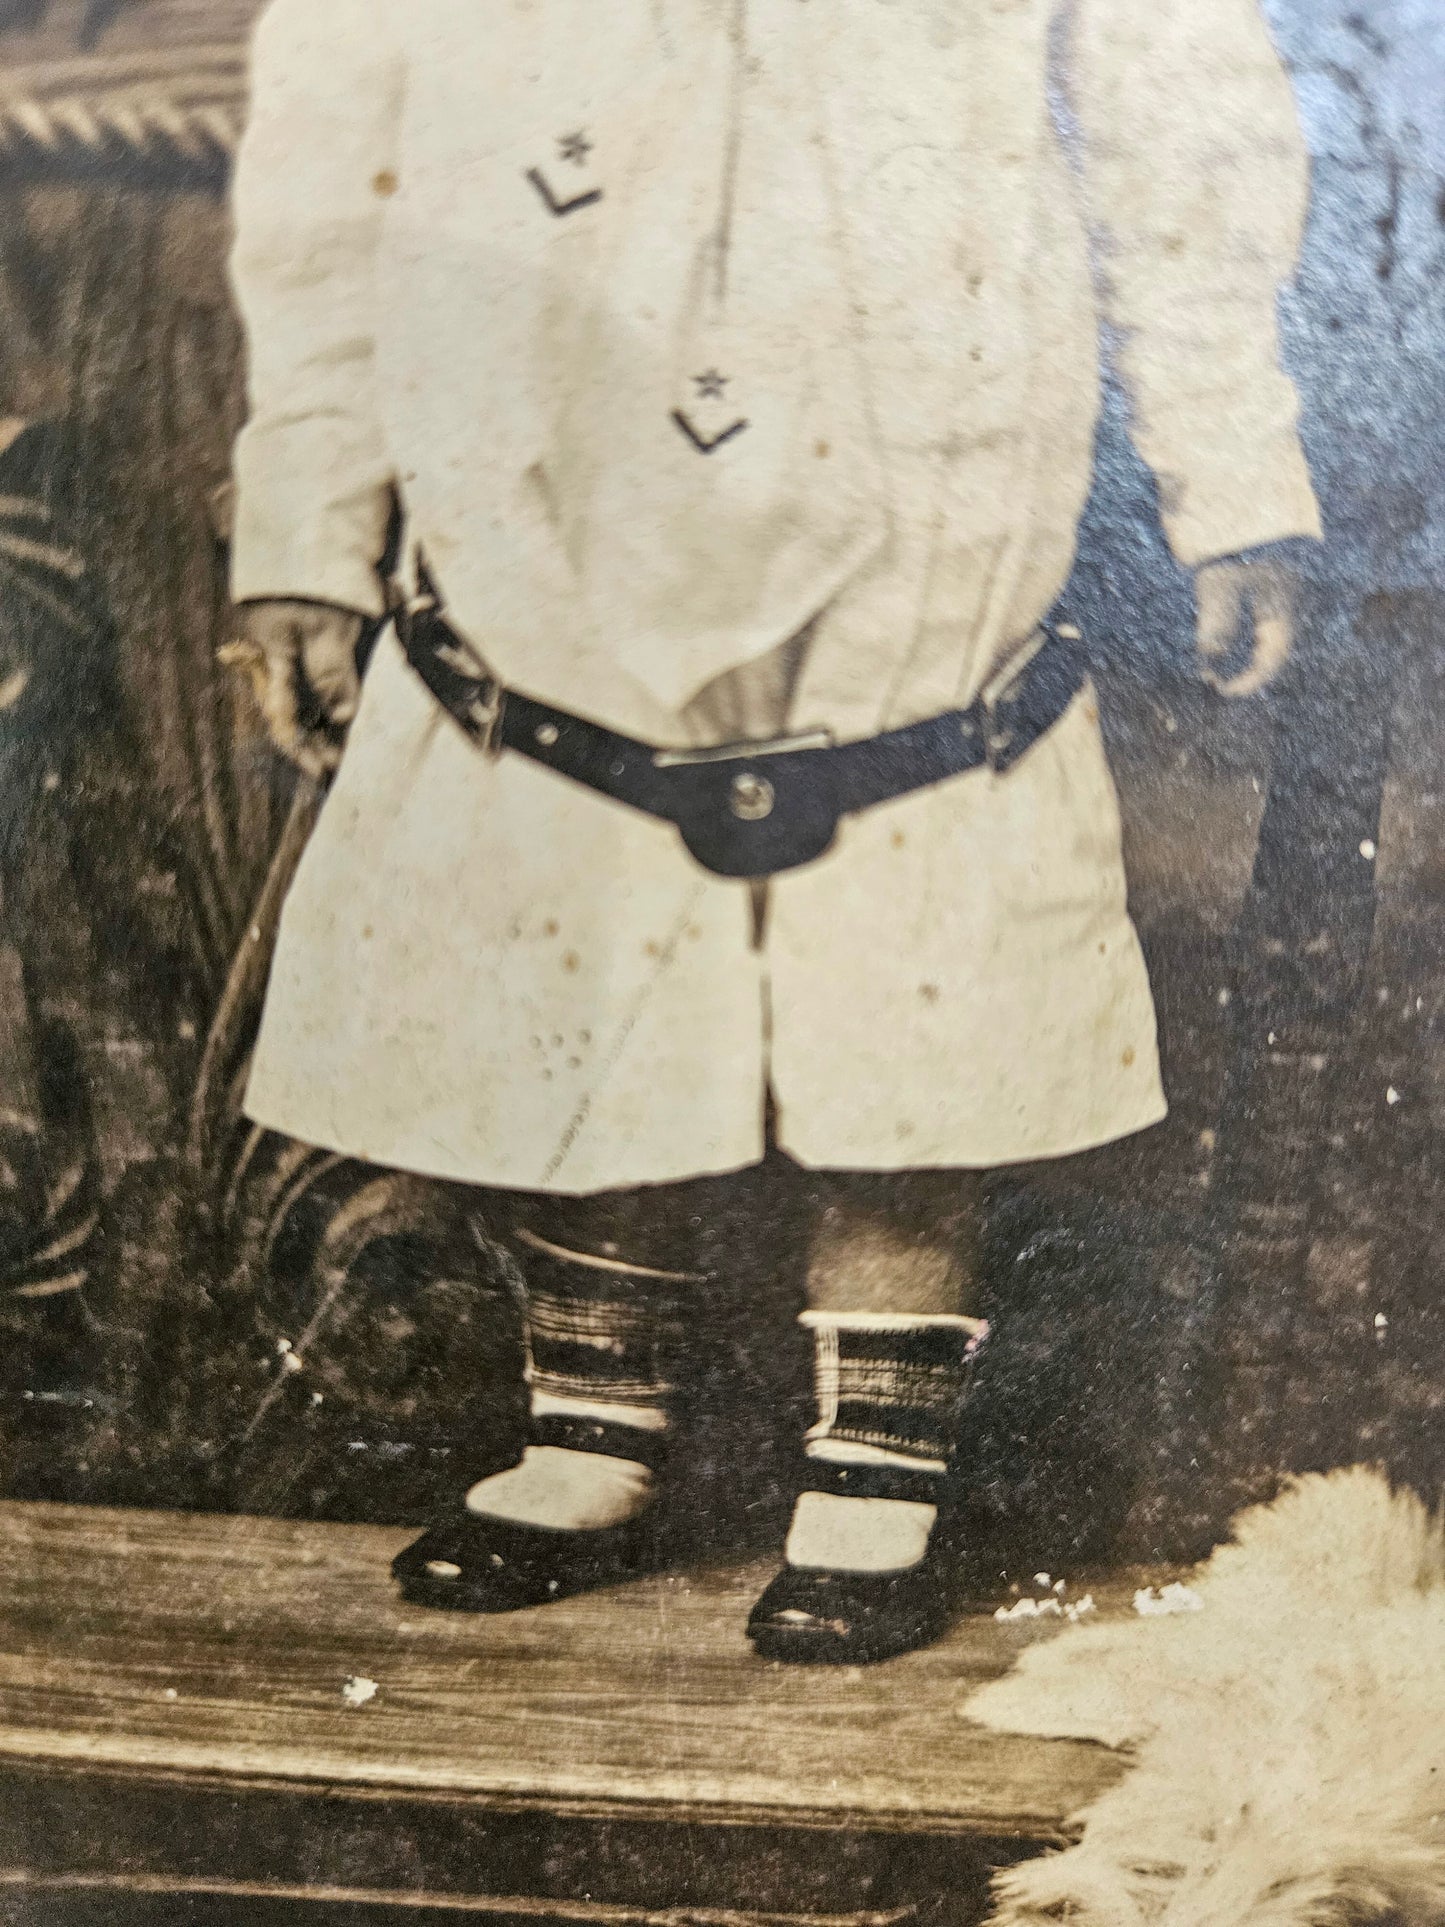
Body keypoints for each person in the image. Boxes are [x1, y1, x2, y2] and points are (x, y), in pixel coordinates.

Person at [226, 0, 1322, 1662]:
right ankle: (588, 1429)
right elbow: (326, 169)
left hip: (918, 468)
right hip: (553, 459)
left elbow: (1185, 142)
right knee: (587, 919)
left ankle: (875, 1463)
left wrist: (1230, 476)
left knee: (903, 930)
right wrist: (309, 524)